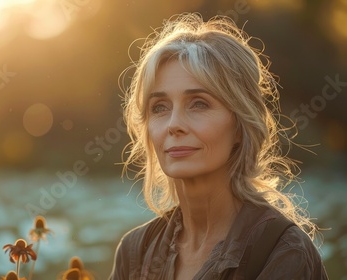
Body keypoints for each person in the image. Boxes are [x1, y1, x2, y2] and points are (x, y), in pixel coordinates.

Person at [109, 13, 328, 279]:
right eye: (160, 107)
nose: (174, 124)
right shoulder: (135, 252)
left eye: (199, 103)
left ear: (240, 124)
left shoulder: (282, 252)